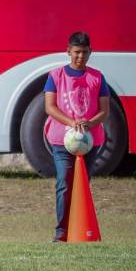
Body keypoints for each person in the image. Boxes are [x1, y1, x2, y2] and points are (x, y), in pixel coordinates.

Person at [44, 31, 109, 241]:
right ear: (68, 51)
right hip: (62, 140)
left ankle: (81, 228)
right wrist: (72, 123)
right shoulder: (55, 76)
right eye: (76, 52)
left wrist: (89, 124)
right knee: (64, 182)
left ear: (91, 52)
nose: (80, 56)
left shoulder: (97, 77)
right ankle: (61, 232)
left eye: (85, 52)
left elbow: (104, 111)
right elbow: (50, 107)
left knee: (82, 183)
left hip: (89, 142)